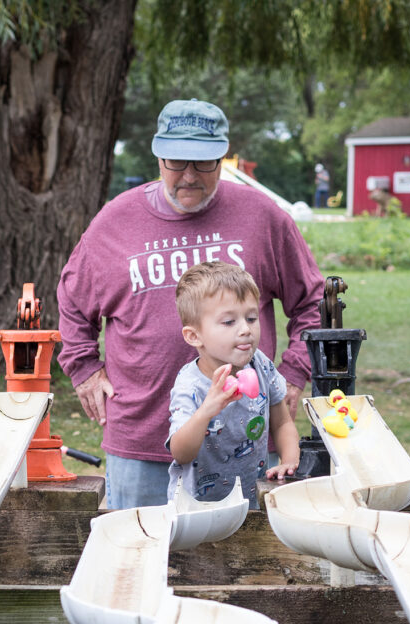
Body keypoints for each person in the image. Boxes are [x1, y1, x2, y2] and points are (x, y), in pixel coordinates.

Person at [57, 97, 324, 509]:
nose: (188, 176)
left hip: (246, 446)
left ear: (222, 158)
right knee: (140, 562)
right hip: (141, 443)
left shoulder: (261, 216)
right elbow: (73, 298)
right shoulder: (116, 221)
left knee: (248, 569)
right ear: (157, 155)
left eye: (203, 163)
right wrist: (84, 368)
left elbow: (313, 299)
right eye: (176, 162)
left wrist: (292, 373)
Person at [167, 262, 299, 508]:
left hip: (253, 504)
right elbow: (180, 453)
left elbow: (282, 422)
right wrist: (207, 410)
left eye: (251, 318)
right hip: (198, 512)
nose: (245, 330)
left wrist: (289, 462)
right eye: (229, 322)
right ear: (194, 336)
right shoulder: (191, 385)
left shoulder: (260, 364)